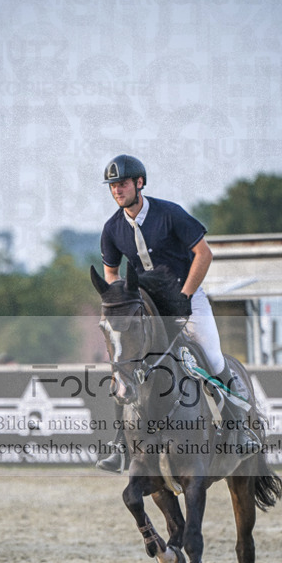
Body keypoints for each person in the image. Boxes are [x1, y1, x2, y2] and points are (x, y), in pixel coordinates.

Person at [97, 153, 226, 472]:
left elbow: (204, 254)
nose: (117, 190)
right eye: (113, 185)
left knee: (214, 358)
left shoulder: (169, 214)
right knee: (123, 368)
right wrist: (122, 304)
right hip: (147, 307)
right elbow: (110, 274)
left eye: (123, 183)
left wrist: (185, 296)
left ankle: (238, 429)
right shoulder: (112, 229)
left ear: (139, 183)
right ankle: (120, 445)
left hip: (188, 297)